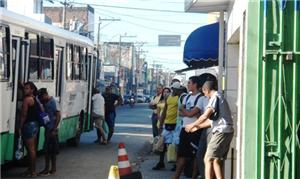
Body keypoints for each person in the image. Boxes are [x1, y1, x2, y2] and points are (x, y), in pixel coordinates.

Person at [185, 80, 234, 179]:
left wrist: (192, 125)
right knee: (216, 161)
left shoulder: (215, 97)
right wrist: (197, 127)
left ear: (206, 90)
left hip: (221, 131)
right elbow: (212, 122)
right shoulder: (219, 98)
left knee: (208, 159)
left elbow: (205, 116)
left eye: (204, 94)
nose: (205, 96)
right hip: (226, 130)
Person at [173, 76, 206, 179]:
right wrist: (188, 112)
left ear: (195, 84)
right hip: (184, 128)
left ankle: (194, 176)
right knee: (182, 154)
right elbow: (182, 112)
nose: (188, 85)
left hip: (195, 130)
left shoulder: (201, 98)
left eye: (189, 83)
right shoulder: (186, 97)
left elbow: (191, 113)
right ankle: (176, 176)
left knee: (195, 155)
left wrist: (186, 111)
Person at [152, 82, 180, 170]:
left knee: (175, 145)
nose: (172, 91)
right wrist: (160, 124)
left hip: (176, 125)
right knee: (162, 144)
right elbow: (164, 111)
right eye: (172, 89)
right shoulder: (169, 98)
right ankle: (161, 163)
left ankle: (176, 164)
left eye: (173, 89)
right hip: (167, 125)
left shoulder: (180, 98)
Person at [37, 88, 61, 176]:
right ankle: (50, 169)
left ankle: (49, 169)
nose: (41, 99)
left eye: (41, 97)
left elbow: (58, 116)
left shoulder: (54, 102)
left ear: (45, 94)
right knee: (49, 150)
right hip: (48, 129)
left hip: (52, 130)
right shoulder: (46, 102)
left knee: (50, 150)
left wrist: (54, 129)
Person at [19, 82, 40, 177]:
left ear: (32, 90)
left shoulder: (27, 100)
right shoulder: (34, 98)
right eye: (25, 88)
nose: (25, 90)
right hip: (35, 125)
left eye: (27, 88)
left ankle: (33, 172)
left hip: (28, 125)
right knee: (31, 149)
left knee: (31, 150)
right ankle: (30, 170)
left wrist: (20, 126)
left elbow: (24, 114)